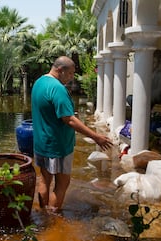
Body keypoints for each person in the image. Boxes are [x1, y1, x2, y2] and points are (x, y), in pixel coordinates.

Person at [31, 56, 113, 212]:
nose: (72, 77)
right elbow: (69, 119)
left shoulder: (39, 82)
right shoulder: (57, 88)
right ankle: (53, 220)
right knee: (62, 184)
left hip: (41, 143)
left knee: (44, 181)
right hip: (58, 146)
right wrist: (96, 137)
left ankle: (42, 213)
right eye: (70, 73)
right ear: (60, 70)